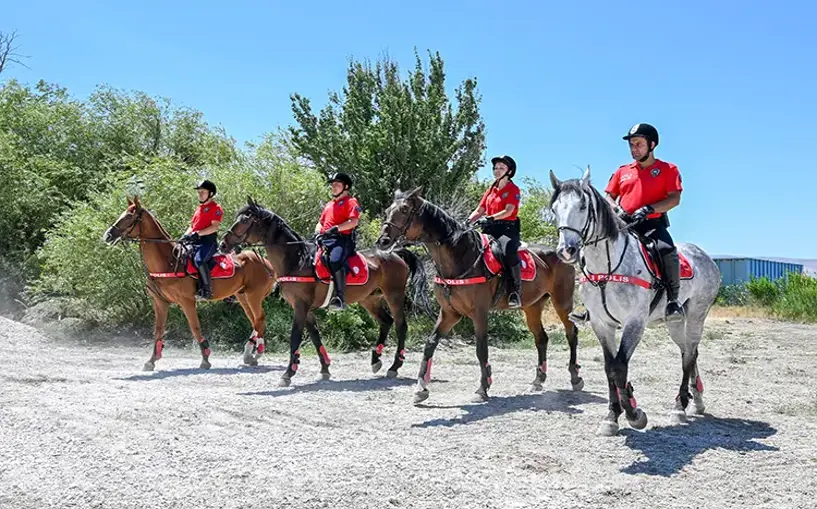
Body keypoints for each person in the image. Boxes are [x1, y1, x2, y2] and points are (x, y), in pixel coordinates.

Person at [605, 122, 685, 322]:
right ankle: (593, 304)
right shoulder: (622, 171)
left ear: (652, 145)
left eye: (638, 144)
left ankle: (673, 302)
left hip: (651, 225)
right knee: (597, 248)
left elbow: (674, 199)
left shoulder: (668, 169)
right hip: (622, 225)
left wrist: (650, 209)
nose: (634, 149)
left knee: (666, 249)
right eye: (631, 145)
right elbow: (608, 196)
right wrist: (617, 209)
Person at [467, 155, 523, 308]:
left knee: (508, 252)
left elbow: (509, 210)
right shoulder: (491, 190)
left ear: (509, 171)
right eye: (495, 168)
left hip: (506, 230)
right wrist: (468, 221)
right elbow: (479, 210)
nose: (497, 171)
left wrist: (490, 218)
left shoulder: (513, 189)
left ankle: (514, 292)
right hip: (488, 230)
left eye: (501, 168)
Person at [314, 172, 361, 311]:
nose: (333, 187)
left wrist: (336, 229)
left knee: (335, 260)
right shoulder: (329, 204)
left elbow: (354, 221)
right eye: (332, 185)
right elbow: (320, 222)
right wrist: (318, 232)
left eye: (337, 185)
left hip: (342, 240)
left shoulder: (351, 201)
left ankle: (340, 298)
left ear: (345, 187)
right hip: (325, 239)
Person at [181, 179, 223, 301]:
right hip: (194, 241)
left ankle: (207, 290)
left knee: (199, 260)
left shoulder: (216, 208)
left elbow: (214, 227)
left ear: (210, 194)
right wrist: (184, 236)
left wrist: (197, 234)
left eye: (202, 192)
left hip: (208, 243)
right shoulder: (198, 209)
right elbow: (192, 226)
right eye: (199, 192)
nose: (199, 194)